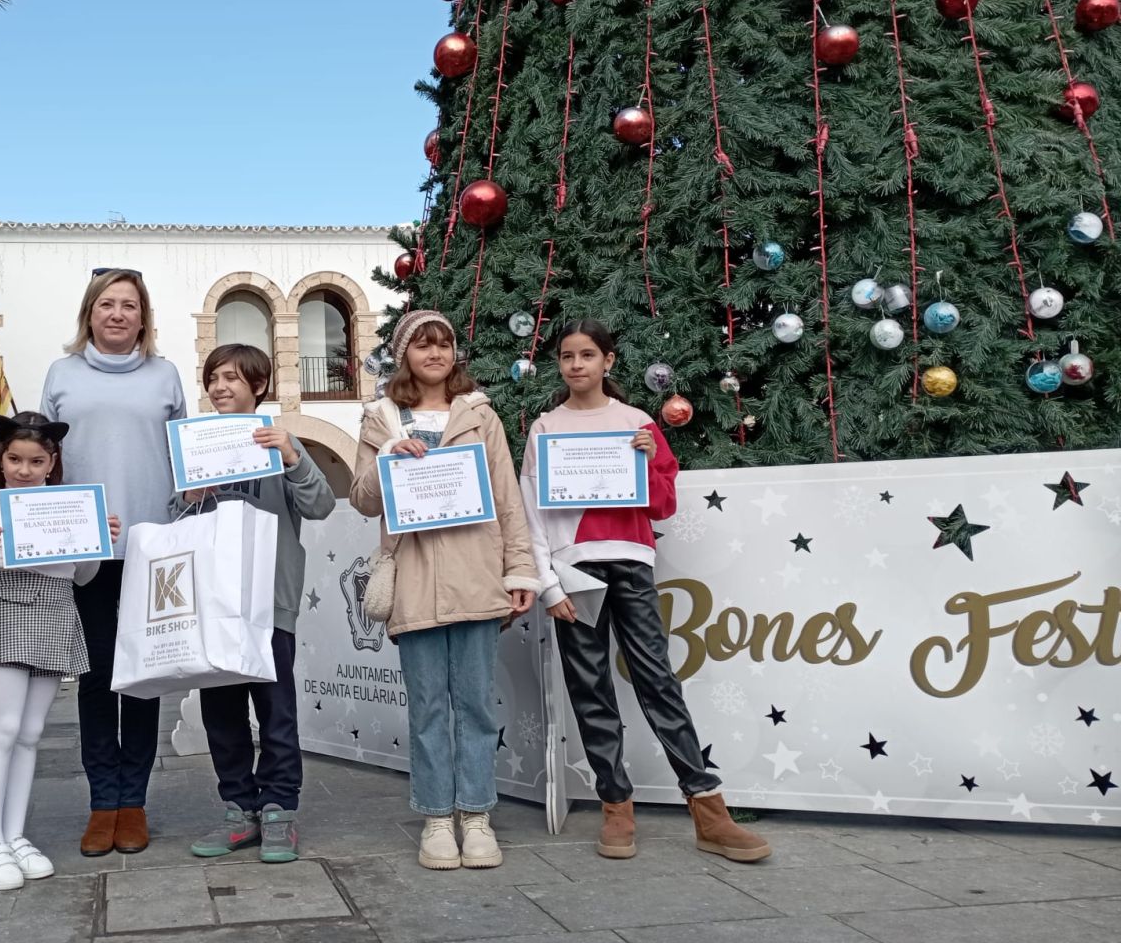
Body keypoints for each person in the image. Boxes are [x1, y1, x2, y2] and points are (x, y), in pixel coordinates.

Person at [520, 319, 770, 864]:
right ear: (559, 364)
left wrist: (649, 456)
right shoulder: (545, 427)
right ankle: (616, 805)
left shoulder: (636, 421)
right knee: (590, 689)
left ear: (609, 361)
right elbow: (531, 512)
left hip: (630, 564)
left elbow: (662, 505)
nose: (577, 364)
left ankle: (708, 808)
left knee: (658, 680)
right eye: (567, 356)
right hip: (574, 573)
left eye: (588, 354)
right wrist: (546, 584)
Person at [349, 310, 540, 871]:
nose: (434, 354)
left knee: (476, 705)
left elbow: (508, 499)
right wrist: (388, 459)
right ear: (404, 354)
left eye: (444, 345)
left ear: (456, 353)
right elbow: (362, 499)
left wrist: (519, 571)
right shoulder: (380, 420)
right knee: (429, 706)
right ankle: (436, 818)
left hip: (476, 576)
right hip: (413, 582)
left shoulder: (479, 414)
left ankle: (477, 815)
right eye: (421, 345)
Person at [40, 269, 186, 857]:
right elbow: (41, 458)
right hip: (88, 553)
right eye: (107, 304)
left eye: (129, 305)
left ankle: (136, 801)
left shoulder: (166, 375)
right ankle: (103, 802)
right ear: (90, 313)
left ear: (143, 317)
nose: (118, 314)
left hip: (155, 549)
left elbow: (185, 456)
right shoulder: (61, 374)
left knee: (144, 675)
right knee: (98, 676)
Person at [177, 344, 335, 863]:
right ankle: (238, 811)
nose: (220, 387)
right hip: (212, 605)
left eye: (231, 378)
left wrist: (291, 458)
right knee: (220, 714)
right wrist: (189, 498)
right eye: (213, 378)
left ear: (259, 386)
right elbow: (171, 517)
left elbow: (319, 505)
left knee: (276, 712)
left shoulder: (281, 443)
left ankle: (279, 811)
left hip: (269, 604)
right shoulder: (194, 445)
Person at [0, 412, 121, 890]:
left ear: (52, 463)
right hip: (7, 610)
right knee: (3, 728)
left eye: (36, 460)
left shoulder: (73, 507)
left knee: (31, 732)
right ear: (1, 460)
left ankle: (13, 835)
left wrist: (97, 541)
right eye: (15, 459)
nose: (25, 469)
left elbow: (83, 576)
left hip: (54, 612)